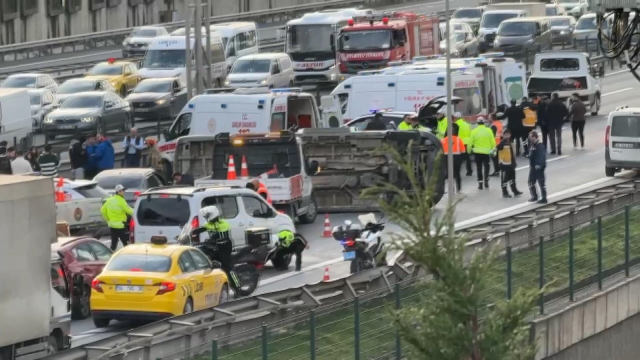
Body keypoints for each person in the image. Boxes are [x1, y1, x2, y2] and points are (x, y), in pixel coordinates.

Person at [191, 206, 232, 274]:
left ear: (213, 214)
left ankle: (234, 282)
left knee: (224, 266)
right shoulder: (209, 224)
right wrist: (193, 232)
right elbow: (202, 228)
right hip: (215, 246)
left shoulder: (222, 223)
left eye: (207, 216)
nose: (206, 218)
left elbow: (221, 231)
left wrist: (214, 236)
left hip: (224, 246)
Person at [101, 184, 134, 251]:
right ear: (119, 191)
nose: (124, 192)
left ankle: (111, 257)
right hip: (121, 226)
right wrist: (137, 212)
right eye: (123, 190)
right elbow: (129, 211)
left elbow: (102, 210)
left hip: (112, 226)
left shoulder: (109, 200)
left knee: (113, 245)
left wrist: (108, 220)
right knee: (126, 245)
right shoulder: (121, 201)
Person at [468, 117, 496, 190]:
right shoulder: (489, 130)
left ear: (477, 123)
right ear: (484, 123)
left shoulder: (473, 131)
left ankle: (480, 184)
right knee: (487, 167)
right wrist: (494, 151)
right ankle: (486, 181)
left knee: (479, 168)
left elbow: (470, 143)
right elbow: (493, 142)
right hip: (487, 152)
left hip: (477, 152)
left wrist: (469, 151)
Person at [496, 129, 523, 198]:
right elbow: (497, 148)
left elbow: (512, 154)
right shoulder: (502, 143)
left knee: (512, 179)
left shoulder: (511, 142)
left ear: (510, 135)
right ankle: (505, 193)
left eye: (508, 134)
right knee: (504, 180)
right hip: (504, 165)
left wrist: (514, 163)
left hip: (511, 164)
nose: (507, 136)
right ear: (503, 135)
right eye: (505, 134)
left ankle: (515, 191)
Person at [440, 123, 466, 192]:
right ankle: (459, 188)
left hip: (447, 158)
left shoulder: (443, 140)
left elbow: (440, 151)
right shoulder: (458, 139)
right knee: (457, 173)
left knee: (449, 174)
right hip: (457, 158)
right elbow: (463, 150)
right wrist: (463, 159)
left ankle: (451, 189)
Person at [527, 131, 547, 204]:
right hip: (533, 167)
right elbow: (531, 154)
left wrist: (540, 165)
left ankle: (544, 198)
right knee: (531, 182)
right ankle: (534, 196)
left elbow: (541, 156)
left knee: (541, 183)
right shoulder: (531, 145)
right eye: (530, 137)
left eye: (532, 137)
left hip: (539, 167)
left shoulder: (539, 146)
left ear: (535, 137)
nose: (531, 138)